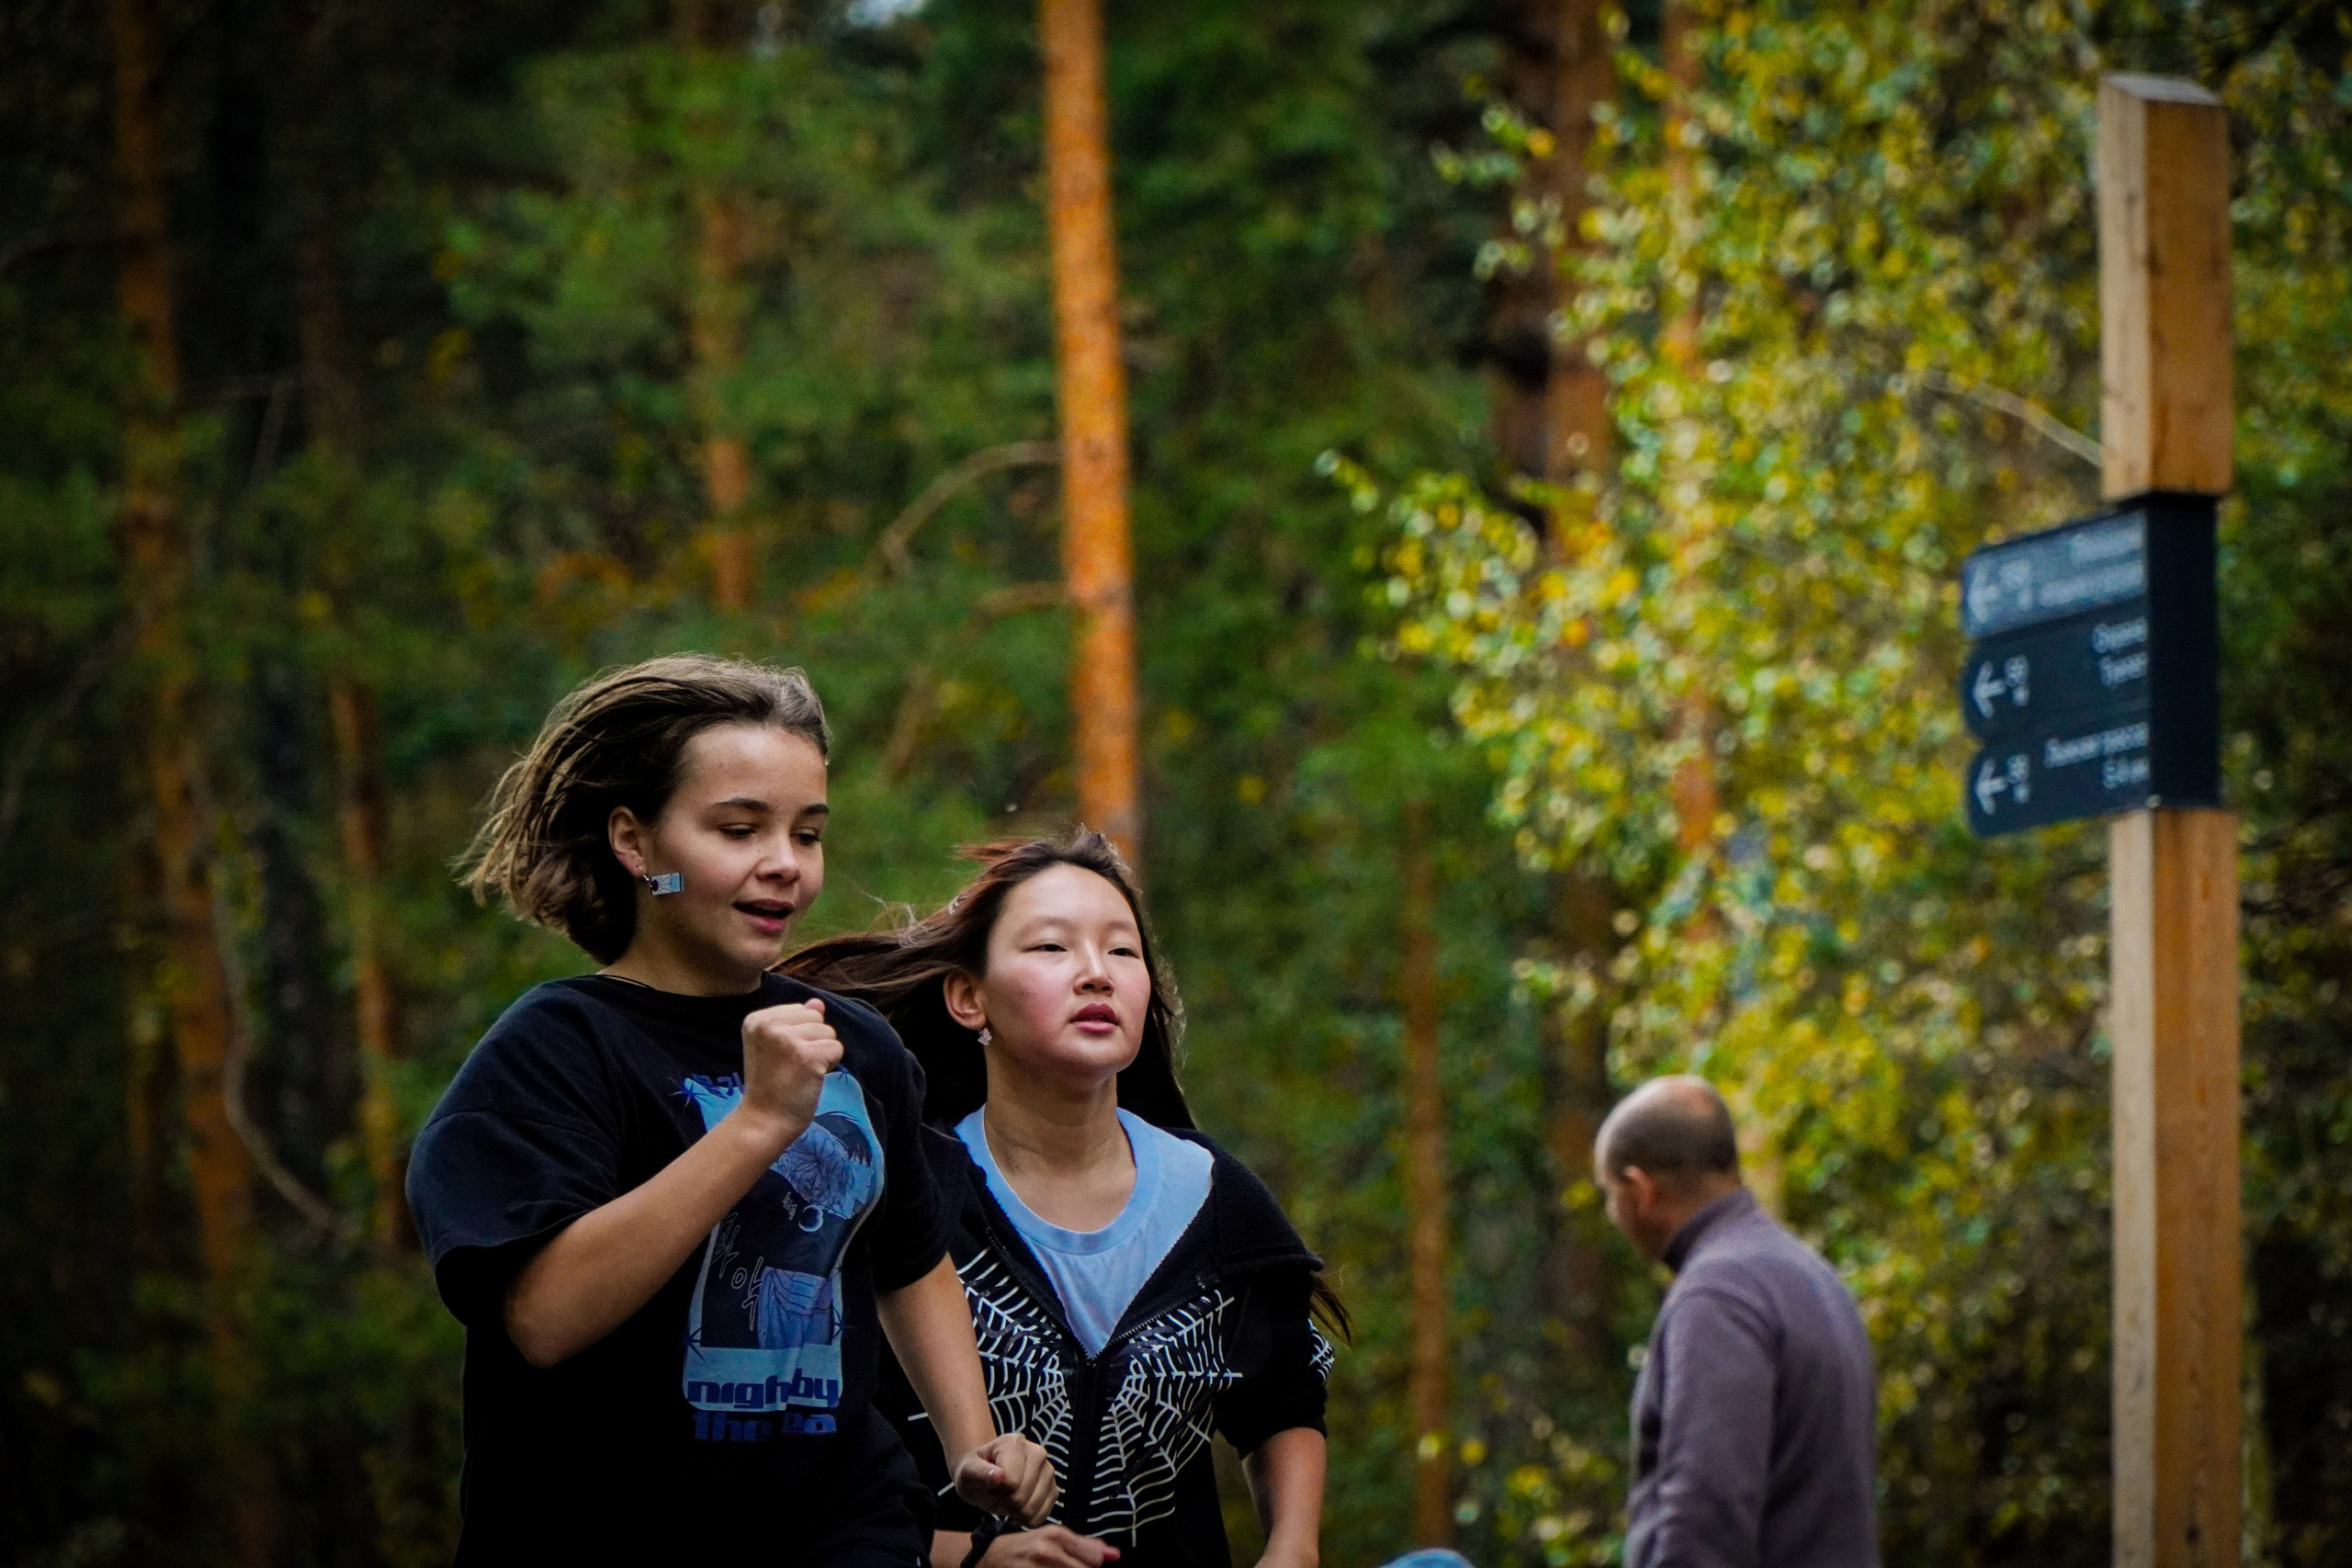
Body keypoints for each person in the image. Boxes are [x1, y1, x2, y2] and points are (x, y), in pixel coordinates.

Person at [405, 655, 1054, 1563]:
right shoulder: (557, 1049)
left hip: (848, 1531)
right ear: (636, 846)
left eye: (809, 833)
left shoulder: (858, 1047)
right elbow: (543, 1321)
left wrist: (970, 1451)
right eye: (739, 829)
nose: (784, 865)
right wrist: (755, 1125)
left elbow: (907, 1261)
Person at [787, 830, 1339, 1568]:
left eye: (1122, 951)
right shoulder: (908, 1199)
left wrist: (1292, 1547)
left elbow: (1287, 1402)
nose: (1095, 974)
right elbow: (820, 1490)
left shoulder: (1213, 1193)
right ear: (967, 996)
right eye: (1051, 947)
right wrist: (973, 1558)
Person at [1593, 1076, 1880, 1568]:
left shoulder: (1717, 1296)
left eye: (1609, 1193)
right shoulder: (1807, 1272)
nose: (1610, 1212)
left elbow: (1705, 1518)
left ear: (1641, 1190)